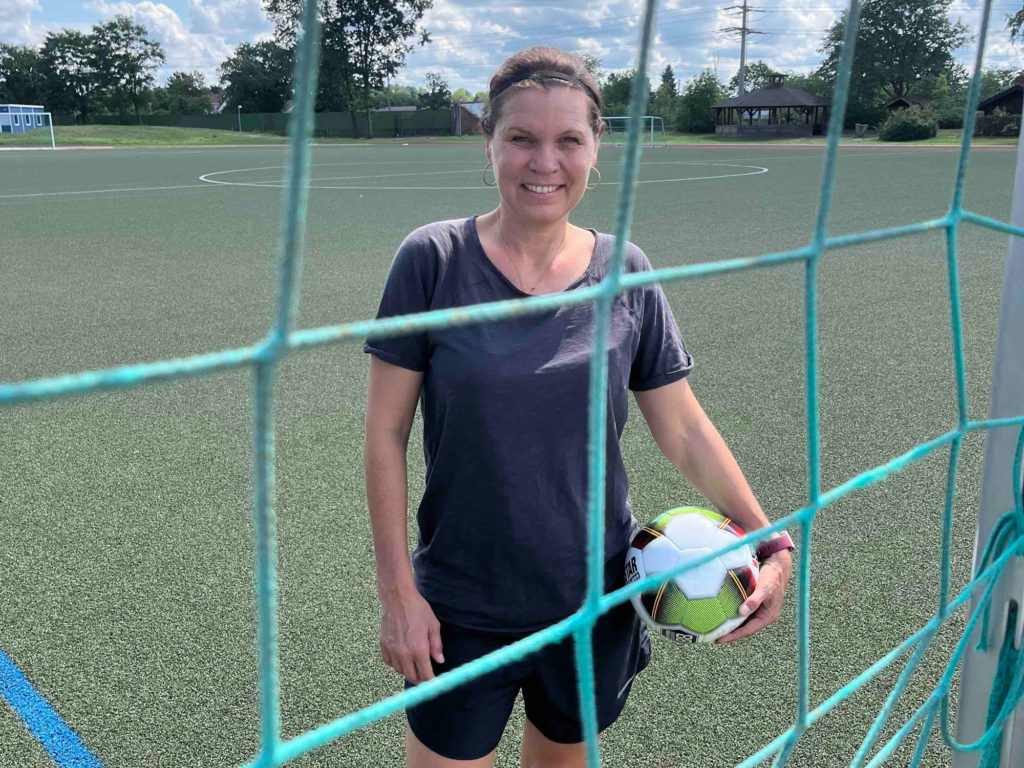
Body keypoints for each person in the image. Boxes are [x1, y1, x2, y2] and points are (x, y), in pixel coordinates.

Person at [363, 46, 795, 768]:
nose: (545, 162)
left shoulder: (625, 270)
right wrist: (398, 594)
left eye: (568, 139)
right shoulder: (432, 260)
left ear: (596, 148)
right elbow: (385, 435)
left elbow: (684, 428)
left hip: (593, 601)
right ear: (489, 142)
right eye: (521, 138)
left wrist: (771, 540)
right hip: (460, 606)